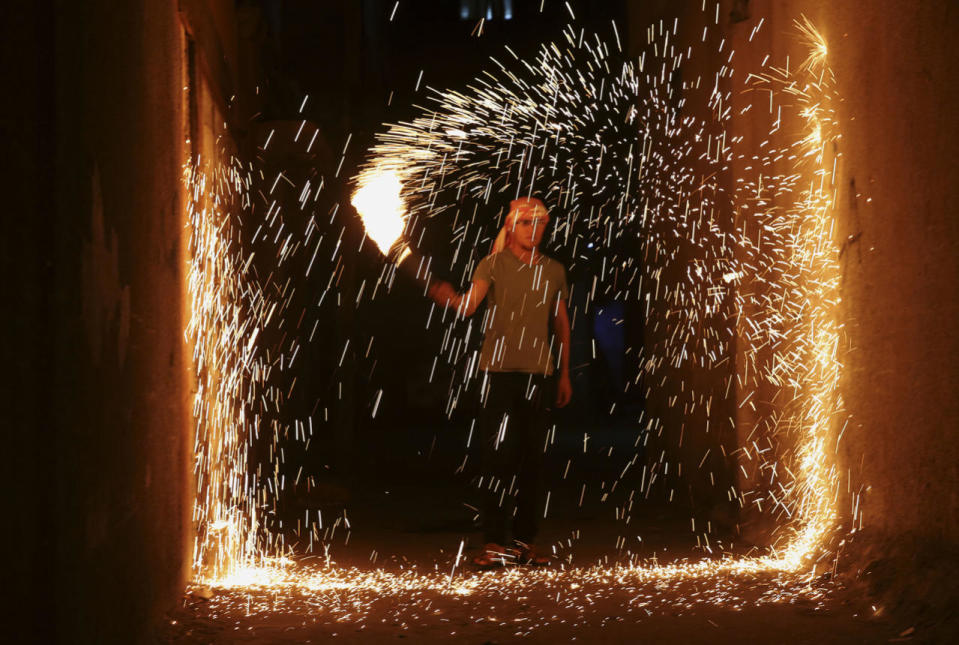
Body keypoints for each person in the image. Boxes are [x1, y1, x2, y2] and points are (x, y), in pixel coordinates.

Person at [426, 197, 572, 567]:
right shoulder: (492, 264)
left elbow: (561, 324)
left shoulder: (554, 269)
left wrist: (565, 372)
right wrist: (448, 297)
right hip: (498, 374)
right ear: (511, 227)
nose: (534, 230)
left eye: (540, 223)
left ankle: (524, 541)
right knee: (496, 458)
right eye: (526, 223)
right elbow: (468, 305)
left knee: (533, 462)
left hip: (539, 374)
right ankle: (494, 543)